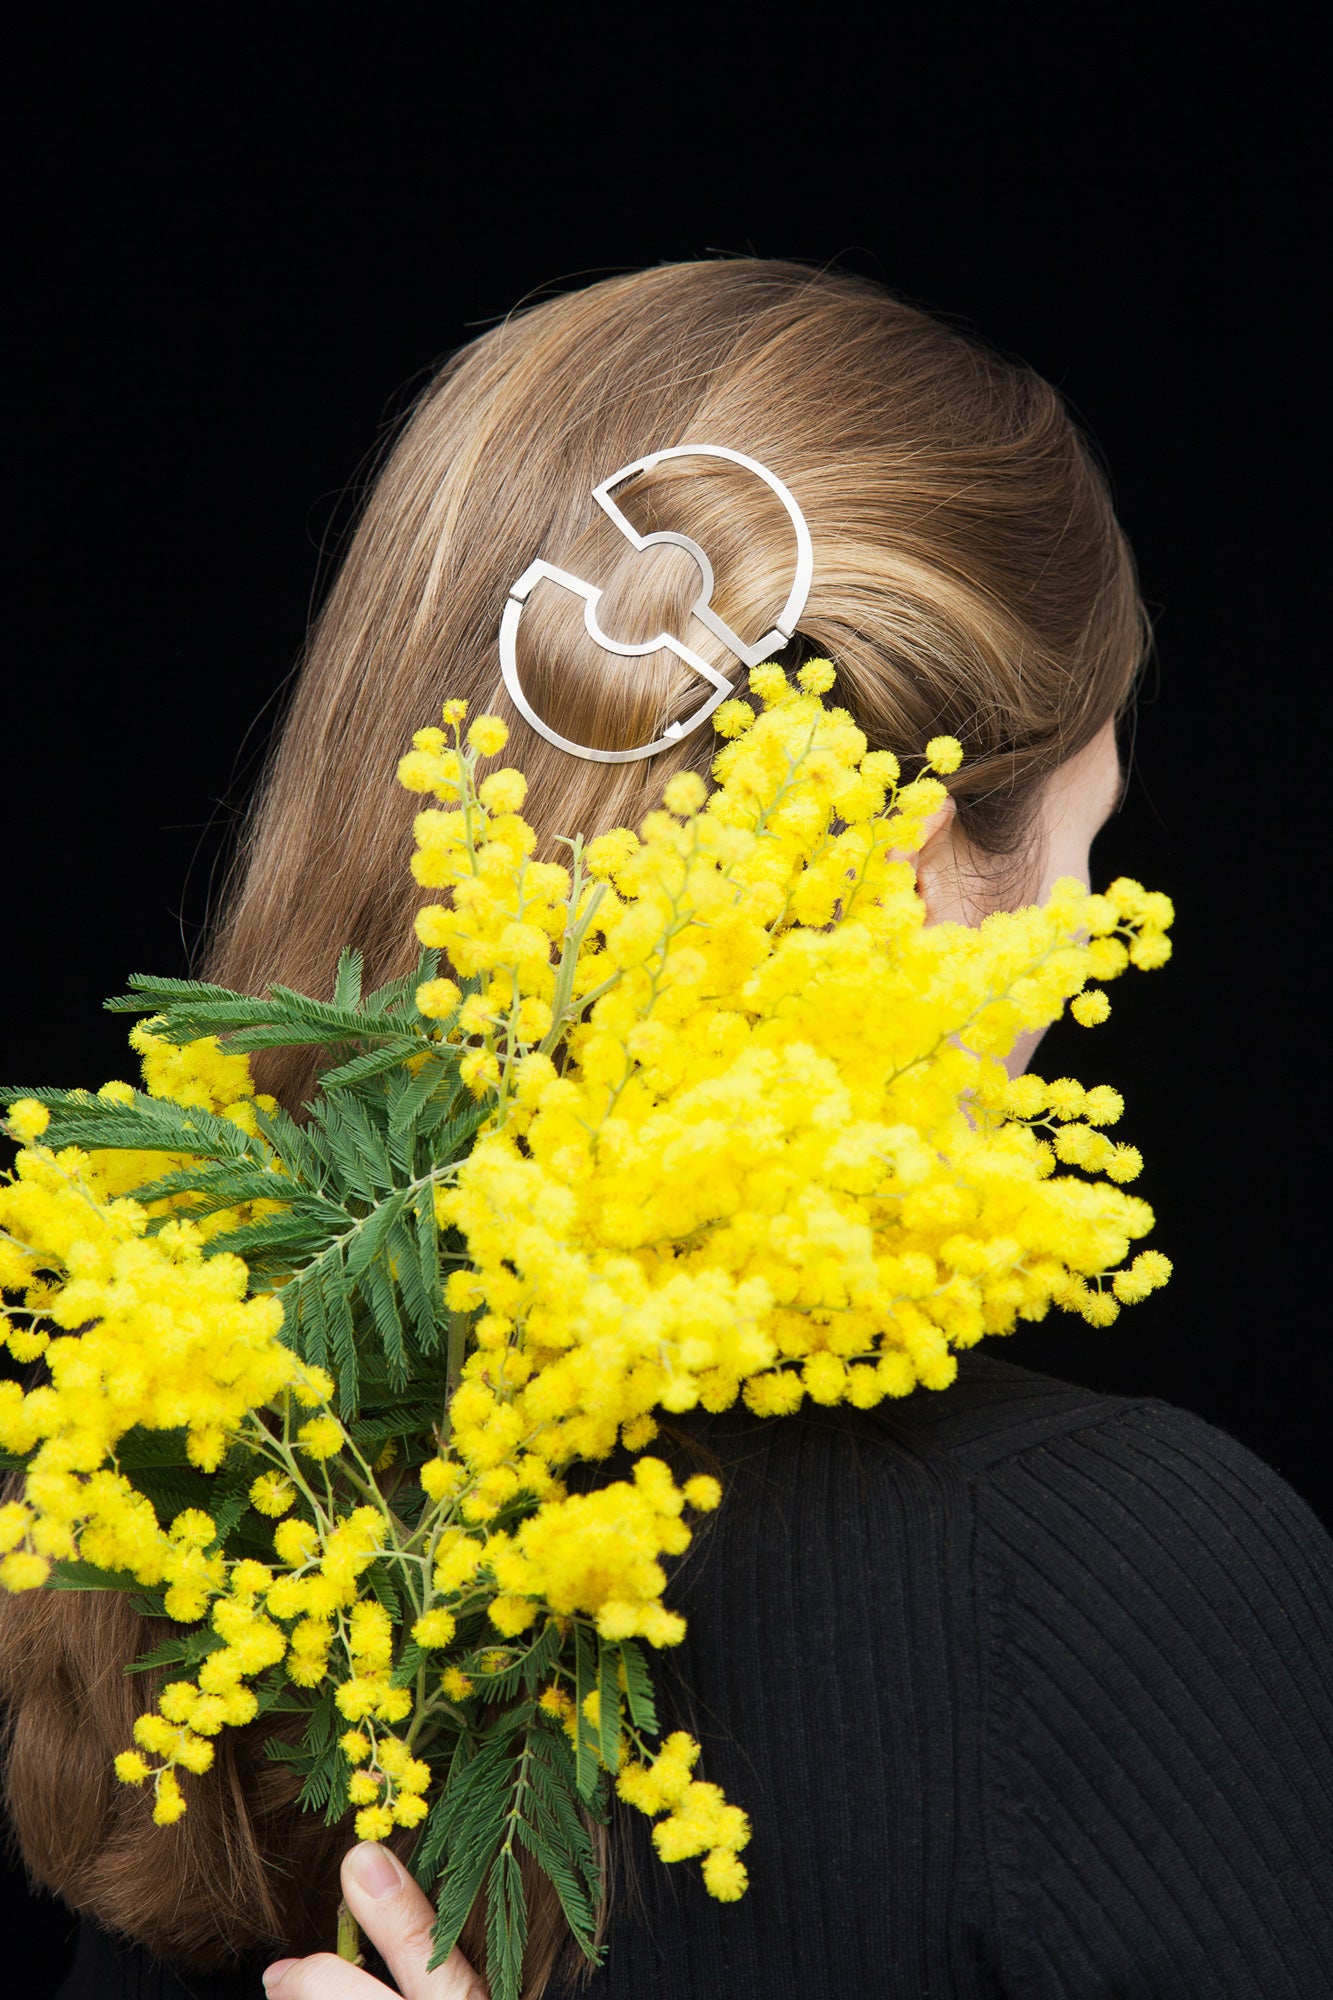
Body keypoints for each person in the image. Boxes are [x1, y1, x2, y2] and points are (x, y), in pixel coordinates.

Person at [4, 259, 1329, 1999]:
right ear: (907, 862)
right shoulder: (1123, 1583)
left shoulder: (206, 1519)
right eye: (1081, 844)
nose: (1079, 951)